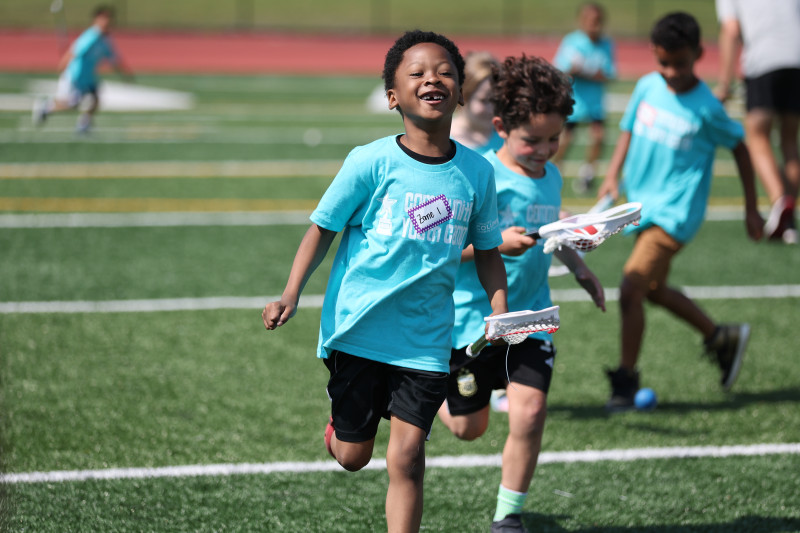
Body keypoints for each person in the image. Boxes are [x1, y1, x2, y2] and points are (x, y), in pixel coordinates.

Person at [262, 30, 509, 533]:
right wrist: (291, 292)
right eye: (416, 73)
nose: (432, 79)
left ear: (460, 91)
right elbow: (322, 230)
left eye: (444, 72)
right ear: (393, 97)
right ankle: (341, 428)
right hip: (359, 328)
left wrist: (499, 308)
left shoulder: (478, 173)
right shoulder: (370, 161)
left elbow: (487, 253)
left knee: (409, 457)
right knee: (354, 455)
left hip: (425, 338)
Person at [437, 55, 606, 533]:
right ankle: (414, 399)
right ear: (500, 127)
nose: (544, 150)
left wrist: (579, 266)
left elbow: (548, 229)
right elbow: (443, 250)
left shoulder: (549, 174)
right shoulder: (477, 175)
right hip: (474, 324)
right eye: (532, 140)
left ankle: (507, 517)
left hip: (530, 319)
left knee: (530, 413)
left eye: (554, 139)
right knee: (470, 430)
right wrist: (494, 244)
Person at [597, 12, 764, 413]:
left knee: (632, 287)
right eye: (663, 62)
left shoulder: (707, 107)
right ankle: (720, 336)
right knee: (653, 291)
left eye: (680, 63)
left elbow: (740, 148)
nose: (670, 72)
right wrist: (612, 174)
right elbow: (629, 129)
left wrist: (752, 209)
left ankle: (625, 380)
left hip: (676, 213)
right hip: (641, 207)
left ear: (698, 55)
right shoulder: (647, 86)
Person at [715, 0, 800, 244]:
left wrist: (724, 84)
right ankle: (789, 222)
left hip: (763, 63)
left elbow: (731, 30)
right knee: (790, 142)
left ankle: (779, 201)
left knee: (758, 136)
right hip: (797, 61)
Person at [32, 5, 133, 134]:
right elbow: (74, 51)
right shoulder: (91, 36)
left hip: (88, 77)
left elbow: (114, 59)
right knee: (70, 104)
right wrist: (63, 64)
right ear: (96, 19)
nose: (107, 21)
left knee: (95, 98)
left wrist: (125, 74)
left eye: (109, 18)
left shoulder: (106, 40)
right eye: (104, 18)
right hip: (75, 76)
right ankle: (45, 108)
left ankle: (84, 124)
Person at [552, 2, 617, 194]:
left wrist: (589, 72)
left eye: (597, 21)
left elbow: (609, 73)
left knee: (599, 137)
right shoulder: (572, 42)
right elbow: (560, 69)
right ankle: (555, 169)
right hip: (574, 102)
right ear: (582, 21)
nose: (593, 25)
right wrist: (575, 70)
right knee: (565, 140)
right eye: (589, 20)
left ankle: (588, 173)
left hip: (595, 103)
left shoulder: (606, 44)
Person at [450, 51, 503, 153]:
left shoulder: (508, 139)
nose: (492, 109)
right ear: (462, 95)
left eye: (496, 99)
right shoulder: (439, 140)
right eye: (484, 100)